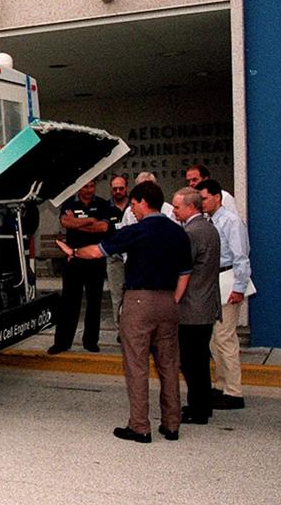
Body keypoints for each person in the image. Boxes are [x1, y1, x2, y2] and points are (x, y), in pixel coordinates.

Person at [59, 181, 192, 443]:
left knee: (137, 365)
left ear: (143, 201)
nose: (132, 209)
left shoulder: (137, 231)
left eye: (133, 204)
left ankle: (140, 426)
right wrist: (174, 299)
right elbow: (186, 272)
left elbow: (98, 251)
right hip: (169, 301)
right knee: (168, 365)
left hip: (139, 302)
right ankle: (171, 424)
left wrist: (73, 252)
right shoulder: (178, 232)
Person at [198, 179, 252, 410]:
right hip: (213, 282)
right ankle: (220, 385)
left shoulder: (230, 221)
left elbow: (241, 255)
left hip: (228, 279)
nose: (202, 202)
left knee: (225, 337)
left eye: (204, 198)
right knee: (213, 339)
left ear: (217, 197)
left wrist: (239, 287)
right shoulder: (208, 221)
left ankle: (233, 391)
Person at [49, 180, 118, 355]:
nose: (88, 190)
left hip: (95, 259)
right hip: (74, 259)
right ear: (79, 187)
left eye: (92, 186)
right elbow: (66, 223)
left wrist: (78, 222)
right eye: (85, 186)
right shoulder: (69, 203)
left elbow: (103, 227)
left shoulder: (103, 203)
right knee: (69, 302)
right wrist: (90, 221)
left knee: (94, 302)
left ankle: (91, 341)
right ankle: (62, 343)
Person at [172, 187, 221, 425]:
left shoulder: (191, 232)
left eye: (177, 207)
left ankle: (198, 408)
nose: (174, 211)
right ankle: (201, 404)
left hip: (192, 307)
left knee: (192, 362)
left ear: (191, 207)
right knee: (199, 359)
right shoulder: (209, 228)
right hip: (206, 304)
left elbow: (182, 267)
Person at [106, 174, 130, 321]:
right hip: (115, 257)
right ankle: (119, 330)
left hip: (133, 256)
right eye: (115, 189)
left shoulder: (134, 206)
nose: (118, 191)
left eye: (121, 188)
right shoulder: (106, 207)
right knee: (117, 296)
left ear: (126, 188)